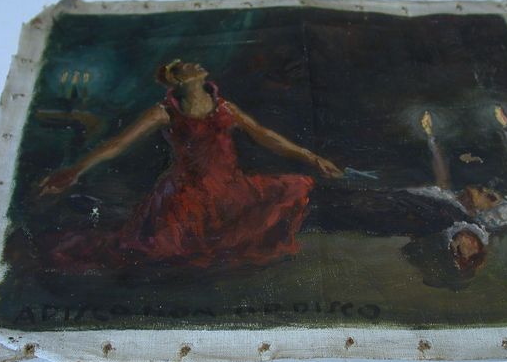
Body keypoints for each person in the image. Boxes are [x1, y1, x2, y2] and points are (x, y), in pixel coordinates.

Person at [39, 60, 343, 270]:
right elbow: (118, 144)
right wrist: (75, 170)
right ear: (180, 79)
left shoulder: (225, 107)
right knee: (163, 250)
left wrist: (312, 157)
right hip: (187, 194)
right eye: (186, 66)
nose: (195, 65)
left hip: (230, 187)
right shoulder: (165, 111)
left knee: (290, 190)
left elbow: (265, 136)